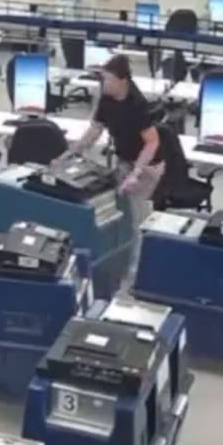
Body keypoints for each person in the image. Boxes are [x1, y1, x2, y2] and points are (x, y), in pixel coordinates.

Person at [70, 55, 167, 290]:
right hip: (124, 161)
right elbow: (95, 129)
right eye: (103, 80)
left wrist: (136, 173)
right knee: (120, 216)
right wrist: (70, 153)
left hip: (147, 165)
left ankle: (136, 279)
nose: (105, 84)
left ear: (123, 81)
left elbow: (152, 143)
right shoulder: (107, 99)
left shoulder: (137, 105)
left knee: (138, 222)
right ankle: (120, 264)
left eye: (109, 80)